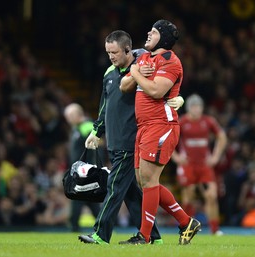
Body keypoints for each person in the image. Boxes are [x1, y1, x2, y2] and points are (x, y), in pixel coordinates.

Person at [78, 30, 184, 244]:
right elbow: (104, 106)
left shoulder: (145, 64)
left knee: (115, 186)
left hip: (132, 139)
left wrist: (180, 98)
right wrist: (96, 131)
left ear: (127, 49)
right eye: (108, 52)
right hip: (114, 140)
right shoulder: (109, 72)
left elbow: (166, 85)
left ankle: (100, 234)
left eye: (114, 52)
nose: (111, 57)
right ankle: (153, 237)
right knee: (132, 194)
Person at [118, 19, 201, 245]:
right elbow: (123, 86)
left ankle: (144, 236)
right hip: (144, 126)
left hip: (161, 124)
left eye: (153, 32)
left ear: (163, 38)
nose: (148, 33)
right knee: (143, 180)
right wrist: (135, 72)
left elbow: (156, 91)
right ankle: (186, 222)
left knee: (149, 178)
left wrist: (135, 72)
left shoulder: (171, 62)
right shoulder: (144, 58)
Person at [171, 94, 227, 235]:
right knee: (188, 196)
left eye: (199, 106)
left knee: (211, 196)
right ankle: (188, 227)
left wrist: (215, 156)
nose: (197, 110)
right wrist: (176, 157)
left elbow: (222, 137)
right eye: (194, 107)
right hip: (188, 164)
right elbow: (169, 138)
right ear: (189, 108)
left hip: (204, 165)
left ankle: (215, 230)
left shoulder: (208, 121)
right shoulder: (182, 122)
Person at [63, 103, 101, 232]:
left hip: (84, 171)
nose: (67, 119)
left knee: (77, 197)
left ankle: (74, 227)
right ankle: (104, 225)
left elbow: (96, 145)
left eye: (69, 116)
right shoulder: (77, 128)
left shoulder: (86, 126)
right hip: (80, 170)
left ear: (77, 114)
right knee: (89, 200)